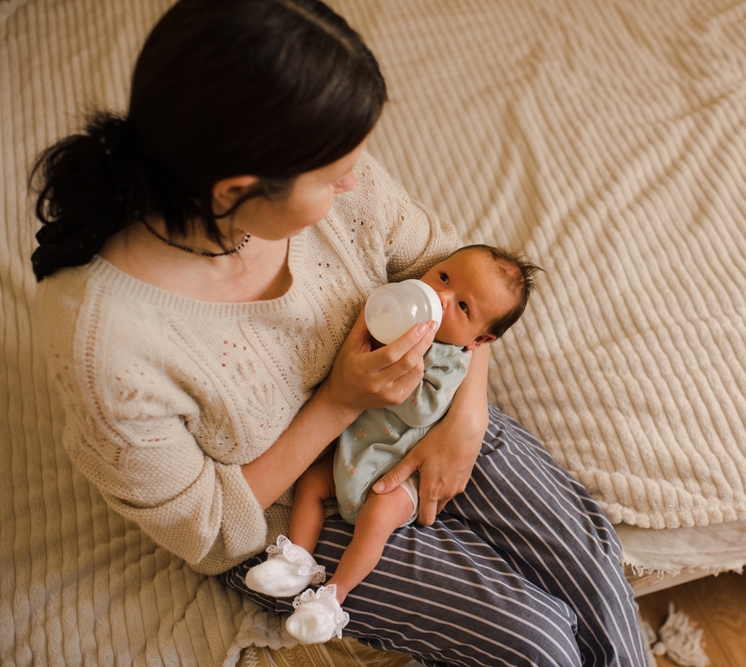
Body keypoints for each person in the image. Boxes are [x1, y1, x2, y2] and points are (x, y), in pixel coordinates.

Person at [30, 0, 647, 664]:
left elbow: (446, 263)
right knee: (538, 639)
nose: (356, 180)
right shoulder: (106, 343)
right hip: (293, 509)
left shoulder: (339, 182)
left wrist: (465, 408)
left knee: (591, 559)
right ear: (235, 190)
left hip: (426, 403)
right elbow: (207, 529)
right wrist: (341, 402)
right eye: (333, 176)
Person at [245, 244, 542, 644]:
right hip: (354, 452)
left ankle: (333, 596)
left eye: (463, 307)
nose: (441, 297)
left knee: (379, 515)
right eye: (443, 278)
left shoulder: (452, 360)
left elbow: (421, 411)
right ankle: (296, 559)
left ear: (479, 339)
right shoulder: (398, 315)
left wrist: (404, 362)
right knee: (312, 484)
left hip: (398, 468)